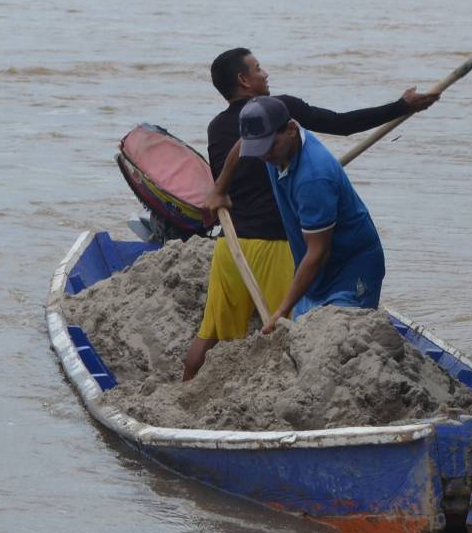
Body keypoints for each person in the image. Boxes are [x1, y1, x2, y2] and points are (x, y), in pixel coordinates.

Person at [180, 48, 438, 378]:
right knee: (286, 339)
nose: (265, 74)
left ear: (289, 132)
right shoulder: (283, 116)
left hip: (231, 247)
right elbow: (344, 124)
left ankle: (186, 386)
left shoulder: (217, 127)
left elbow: (243, 148)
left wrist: (219, 189)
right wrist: (401, 107)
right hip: (276, 247)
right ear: (244, 80)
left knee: (210, 334)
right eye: (259, 68)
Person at [235, 95, 385, 331]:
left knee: (340, 343)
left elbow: (318, 252)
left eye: (269, 146)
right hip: (316, 273)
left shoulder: (313, 178)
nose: (264, 156)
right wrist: (220, 188)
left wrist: (282, 310)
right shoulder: (274, 150)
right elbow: (243, 145)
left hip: (351, 270)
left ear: (292, 130)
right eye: (257, 148)